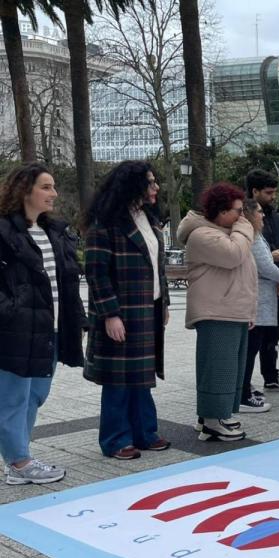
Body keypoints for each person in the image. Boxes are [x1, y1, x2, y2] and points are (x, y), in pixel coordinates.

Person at [0, 163, 85, 485]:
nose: (54, 193)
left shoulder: (54, 232)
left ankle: (17, 458)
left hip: (51, 329)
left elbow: (67, 281)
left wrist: (77, 318)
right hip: (16, 329)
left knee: (36, 394)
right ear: (25, 190)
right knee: (13, 397)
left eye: (53, 187)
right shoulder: (4, 231)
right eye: (46, 187)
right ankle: (19, 461)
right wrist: (11, 311)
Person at [84, 161, 171, 460]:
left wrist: (165, 303)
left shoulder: (149, 218)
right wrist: (110, 313)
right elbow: (96, 272)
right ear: (131, 186)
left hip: (148, 309)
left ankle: (145, 433)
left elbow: (157, 265)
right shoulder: (105, 222)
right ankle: (116, 439)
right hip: (122, 311)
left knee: (141, 376)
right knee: (118, 379)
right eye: (149, 182)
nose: (155, 187)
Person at [178, 183, 256, 441]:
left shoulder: (224, 232)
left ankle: (216, 414)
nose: (241, 216)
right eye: (237, 211)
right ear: (221, 212)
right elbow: (233, 256)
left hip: (232, 309)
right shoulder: (202, 235)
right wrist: (246, 228)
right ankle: (213, 419)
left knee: (230, 368)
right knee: (218, 367)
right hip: (216, 311)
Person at [246, 169, 279, 392]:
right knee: (254, 339)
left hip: (276, 282)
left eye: (274, 192)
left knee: (273, 334)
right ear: (254, 191)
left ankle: (271, 376)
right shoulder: (245, 219)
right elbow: (257, 257)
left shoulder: (275, 217)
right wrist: (273, 264)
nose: (273, 196)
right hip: (258, 287)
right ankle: (244, 385)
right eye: (268, 192)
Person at [238, 199, 279, 414]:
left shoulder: (254, 235)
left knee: (251, 348)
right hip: (257, 301)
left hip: (260, 298)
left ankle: (245, 387)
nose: (263, 215)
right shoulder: (252, 236)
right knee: (251, 348)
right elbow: (265, 265)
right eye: (259, 212)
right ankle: (243, 393)